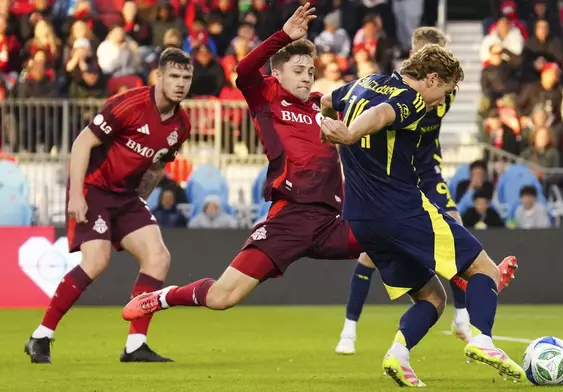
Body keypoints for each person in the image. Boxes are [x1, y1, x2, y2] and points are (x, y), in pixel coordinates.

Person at [121, 3, 361, 336]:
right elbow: (244, 70)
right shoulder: (267, 96)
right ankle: (162, 297)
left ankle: (433, 311)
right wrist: (283, 37)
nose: (307, 76)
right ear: (277, 73)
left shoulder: (322, 106)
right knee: (222, 297)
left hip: (330, 221)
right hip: (288, 219)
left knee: (386, 239)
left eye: (310, 70)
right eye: (299, 70)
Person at [319, 44, 525, 386]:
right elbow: (382, 115)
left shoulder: (363, 82)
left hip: (361, 221)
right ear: (430, 78)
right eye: (441, 93)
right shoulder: (411, 98)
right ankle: (483, 340)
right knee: (484, 267)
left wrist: (319, 118)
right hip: (400, 210)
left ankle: (398, 355)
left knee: (433, 297)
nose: (436, 103)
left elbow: (326, 101)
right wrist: (351, 134)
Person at [24, 48, 194, 364]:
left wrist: (142, 196)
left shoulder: (181, 125)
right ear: (159, 77)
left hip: (127, 197)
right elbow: (82, 143)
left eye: (186, 77)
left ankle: (135, 345)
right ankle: (41, 336)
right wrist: (76, 195)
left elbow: (157, 165)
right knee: (97, 261)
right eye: (174, 76)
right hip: (95, 188)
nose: (181, 83)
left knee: (157, 258)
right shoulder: (129, 103)